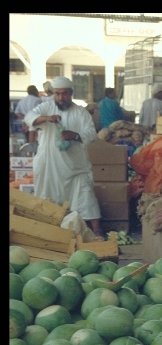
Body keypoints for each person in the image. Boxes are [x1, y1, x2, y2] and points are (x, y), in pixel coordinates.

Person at [24, 76, 103, 237]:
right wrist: (47, 118)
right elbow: (30, 118)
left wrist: (74, 135)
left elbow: (91, 133)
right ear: (53, 93)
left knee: (86, 196)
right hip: (49, 166)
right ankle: (46, 233)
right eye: (58, 94)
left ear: (71, 93)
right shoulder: (45, 107)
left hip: (75, 166)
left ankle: (97, 232)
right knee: (47, 199)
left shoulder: (80, 113)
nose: (61, 98)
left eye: (65, 94)